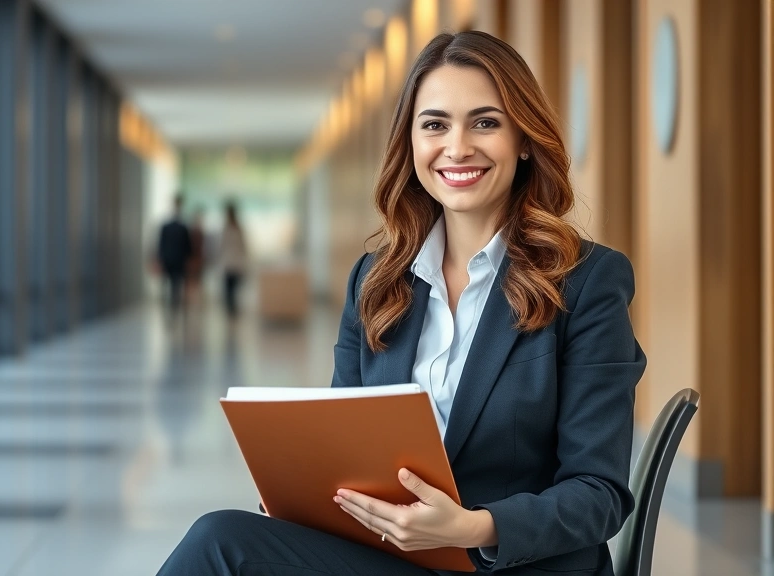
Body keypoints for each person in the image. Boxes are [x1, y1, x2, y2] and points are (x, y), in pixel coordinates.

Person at [157, 30, 645, 576]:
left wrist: (474, 525)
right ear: (410, 144)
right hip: (392, 560)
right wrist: (305, 493)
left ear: (524, 140)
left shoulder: (586, 280)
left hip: (513, 567)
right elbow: (339, 445)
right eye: (434, 124)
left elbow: (599, 494)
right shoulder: (376, 282)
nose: (457, 147)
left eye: (485, 122)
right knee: (221, 538)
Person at [158, 195, 192, 314]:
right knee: (173, 284)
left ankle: (172, 305)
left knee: (173, 284)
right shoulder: (178, 227)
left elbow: (187, 246)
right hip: (174, 259)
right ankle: (172, 304)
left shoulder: (179, 227)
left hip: (173, 259)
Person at [217, 201, 248, 318]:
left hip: (231, 262)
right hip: (233, 262)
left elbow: (221, 246)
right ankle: (231, 308)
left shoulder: (230, 228)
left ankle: (231, 308)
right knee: (231, 288)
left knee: (230, 288)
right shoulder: (235, 228)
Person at [185, 209, 207, 307]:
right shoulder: (192, 231)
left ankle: (197, 301)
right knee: (191, 281)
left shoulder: (201, 231)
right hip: (193, 259)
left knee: (198, 280)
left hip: (199, 259)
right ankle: (190, 300)